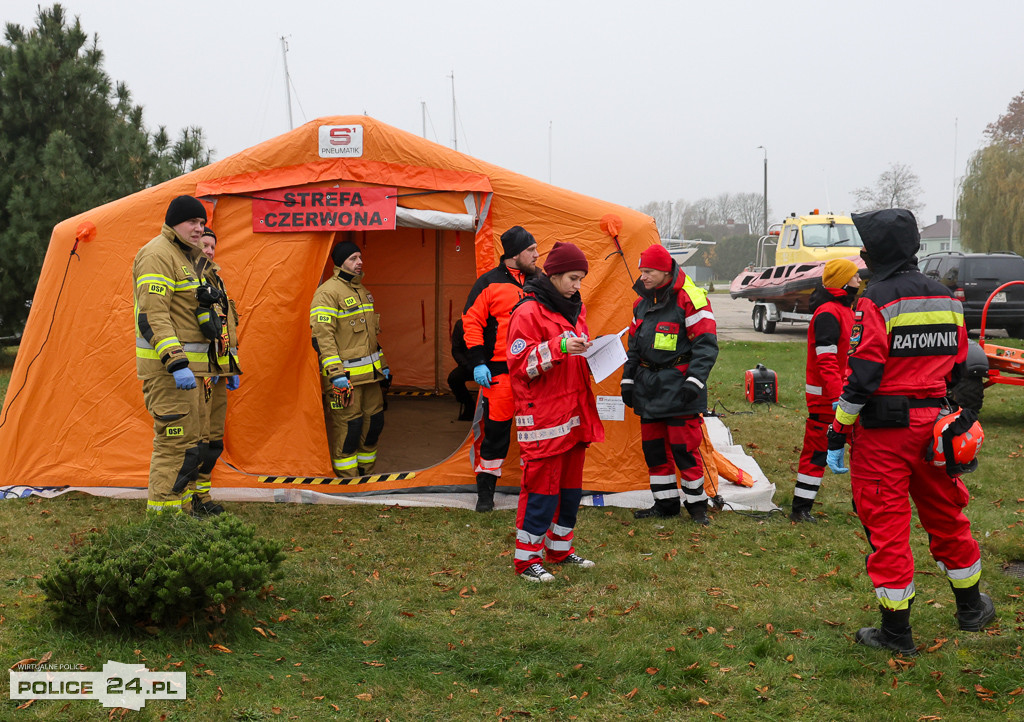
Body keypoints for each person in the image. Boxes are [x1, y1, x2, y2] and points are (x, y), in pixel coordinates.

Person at [827, 208, 995, 656]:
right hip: (936, 426)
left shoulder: (874, 301)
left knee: (888, 529)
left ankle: (896, 634)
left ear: (873, 252)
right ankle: (971, 609)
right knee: (947, 517)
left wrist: (838, 431)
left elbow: (862, 376)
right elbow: (962, 363)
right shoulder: (947, 297)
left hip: (884, 434)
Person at [506, 241, 604, 581]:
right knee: (541, 493)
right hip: (545, 420)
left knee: (569, 492)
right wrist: (560, 346)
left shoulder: (574, 309)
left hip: (574, 416)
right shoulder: (527, 312)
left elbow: (574, 354)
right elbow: (519, 364)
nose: (578, 286)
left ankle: (560, 551)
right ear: (555, 274)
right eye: (573, 278)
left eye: (581, 279)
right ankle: (526, 560)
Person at [621, 244, 719, 526]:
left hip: (680, 389)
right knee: (654, 451)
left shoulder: (690, 298)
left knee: (684, 450)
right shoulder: (641, 304)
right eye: (642, 271)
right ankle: (665, 504)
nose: (644, 277)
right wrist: (628, 380)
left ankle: (697, 507)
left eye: (649, 271)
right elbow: (634, 348)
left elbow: (706, 345)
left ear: (665, 272)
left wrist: (694, 381)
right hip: (649, 389)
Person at [132, 195, 216, 515]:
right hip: (169, 372)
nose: (199, 229)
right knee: (173, 444)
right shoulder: (157, 254)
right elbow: (153, 316)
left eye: (202, 223)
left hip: (189, 375)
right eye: (192, 222)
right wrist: (176, 362)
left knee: (189, 448)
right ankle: (163, 524)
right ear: (174, 222)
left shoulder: (185, 258)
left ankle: (182, 513)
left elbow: (185, 314)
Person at [461, 226, 539, 512]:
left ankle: (534, 493)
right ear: (515, 254)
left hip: (536, 373)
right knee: (494, 433)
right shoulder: (488, 283)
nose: (536, 255)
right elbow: (471, 323)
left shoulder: (540, 282)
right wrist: (478, 363)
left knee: (536, 435)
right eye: (531, 250)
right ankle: (485, 494)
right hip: (499, 374)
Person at [310, 240, 391, 477]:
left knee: (374, 424)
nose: (360, 262)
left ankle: (366, 474)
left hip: (371, 378)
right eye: (353, 258)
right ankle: (348, 479)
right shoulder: (327, 293)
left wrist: (383, 367)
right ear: (340, 262)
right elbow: (323, 338)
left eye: (360, 258)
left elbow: (371, 338)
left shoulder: (362, 291)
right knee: (349, 428)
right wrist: (335, 374)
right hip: (345, 380)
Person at [790, 258, 861, 523]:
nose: (859, 280)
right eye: (854, 276)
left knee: (862, 452)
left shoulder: (845, 310)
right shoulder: (829, 313)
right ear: (842, 281)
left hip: (844, 396)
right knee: (817, 452)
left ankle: (863, 504)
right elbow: (827, 360)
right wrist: (836, 397)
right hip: (827, 400)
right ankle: (800, 508)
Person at [188, 226, 243, 516]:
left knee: (213, 441)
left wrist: (231, 365)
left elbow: (226, 326)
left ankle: (203, 496)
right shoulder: (188, 277)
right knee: (194, 440)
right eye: (205, 244)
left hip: (218, 371)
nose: (209, 251)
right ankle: (187, 500)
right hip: (197, 372)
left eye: (213, 246)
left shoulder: (216, 280)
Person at [447, 319, 476, 421]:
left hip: (490, 364)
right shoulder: (461, 324)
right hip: (469, 364)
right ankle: (469, 404)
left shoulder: (491, 321)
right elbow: (456, 350)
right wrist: (467, 365)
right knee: (453, 378)